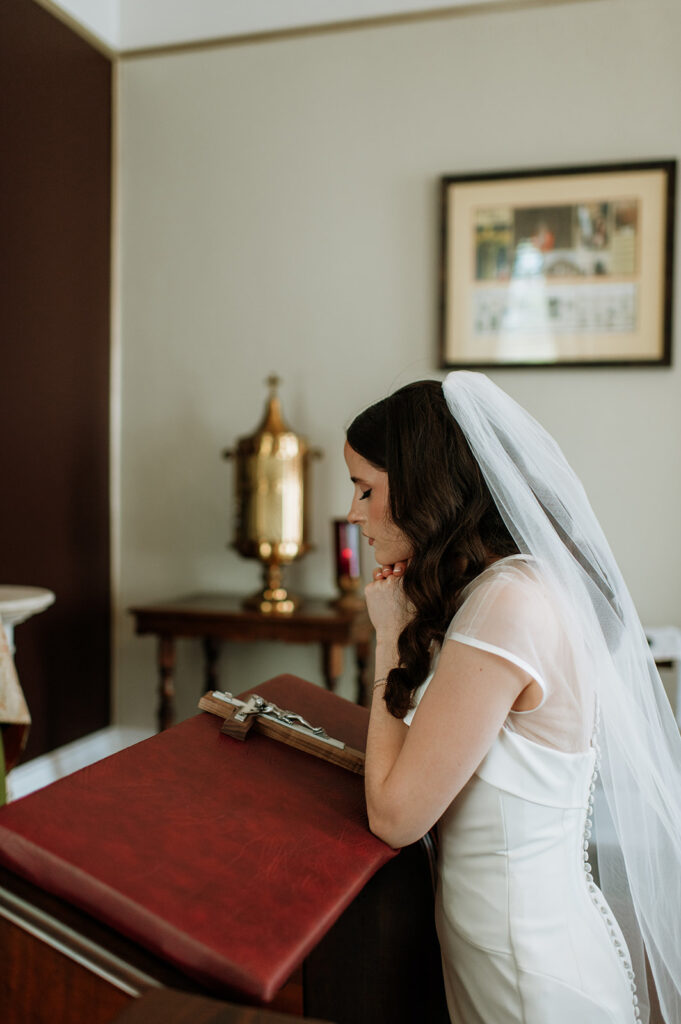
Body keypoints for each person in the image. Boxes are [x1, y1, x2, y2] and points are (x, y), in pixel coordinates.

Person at [344, 372, 681, 1024]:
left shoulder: (505, 604)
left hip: (527, 974)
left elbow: (395, 816)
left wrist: (387, 636)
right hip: (515, 950)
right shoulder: (506, 590)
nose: (354, 513)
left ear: (422, 487)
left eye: (366, 489)